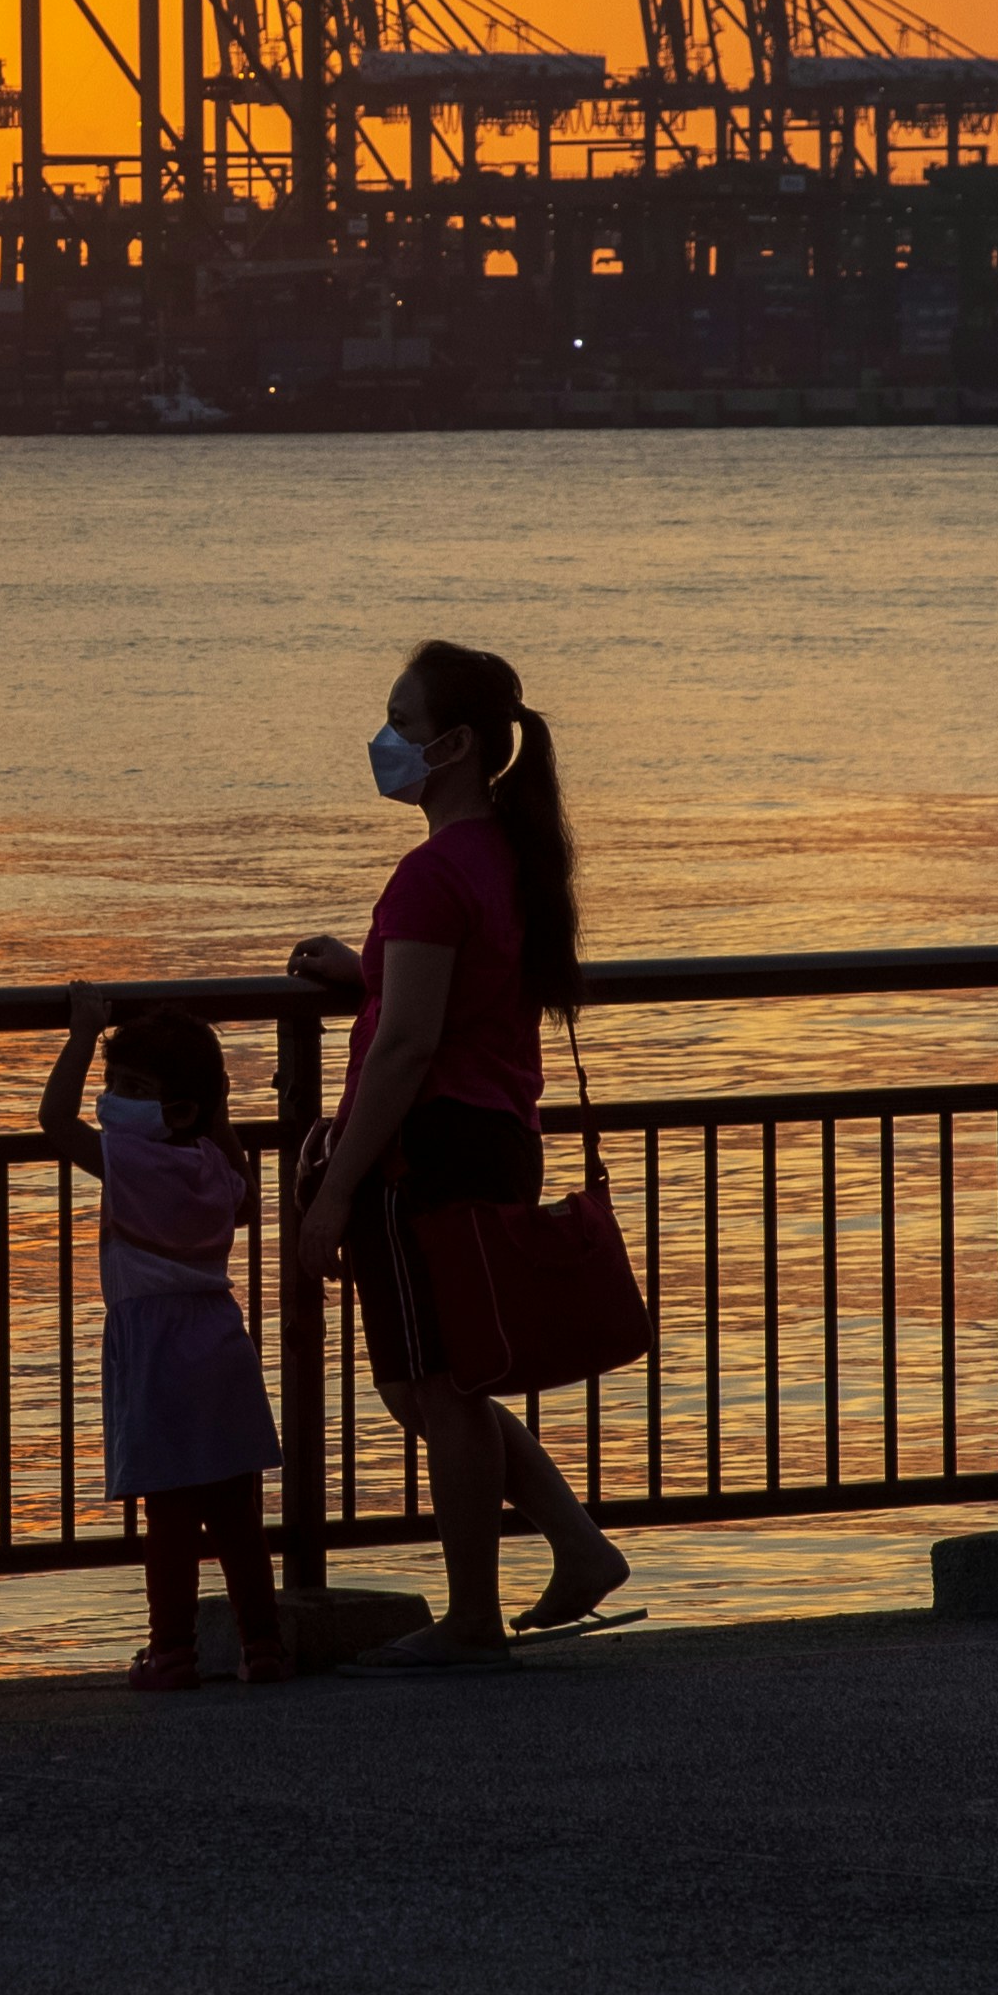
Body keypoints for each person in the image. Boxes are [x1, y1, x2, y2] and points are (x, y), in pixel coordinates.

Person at [291, 633, 637, 1665]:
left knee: (435, 1389)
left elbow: (407, 1048)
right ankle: (576, 1546)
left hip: (427, 1151)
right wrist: (368, 969)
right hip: (499, 1135)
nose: (383, 739)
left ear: (446, 746)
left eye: (398, 721)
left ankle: (473, 1617)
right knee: (446, 1383)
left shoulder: (432, 872)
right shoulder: (512, 861)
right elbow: (458, 1000)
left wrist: (332, 1189)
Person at [37, 993, 294, 1691]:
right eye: (115, 1085)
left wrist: (84, 1033)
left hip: (152, 1346)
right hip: (219, 1336)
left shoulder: (127, 1163)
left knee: (171, 1512)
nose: (116, 1100)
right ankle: (263, 1645)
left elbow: (55, 1120)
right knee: (236, 1510)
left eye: (134, 1090)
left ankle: (172, 1651)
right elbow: (246, 1202)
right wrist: (220, 1118)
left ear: (175, 1108)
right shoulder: (215, 1168)